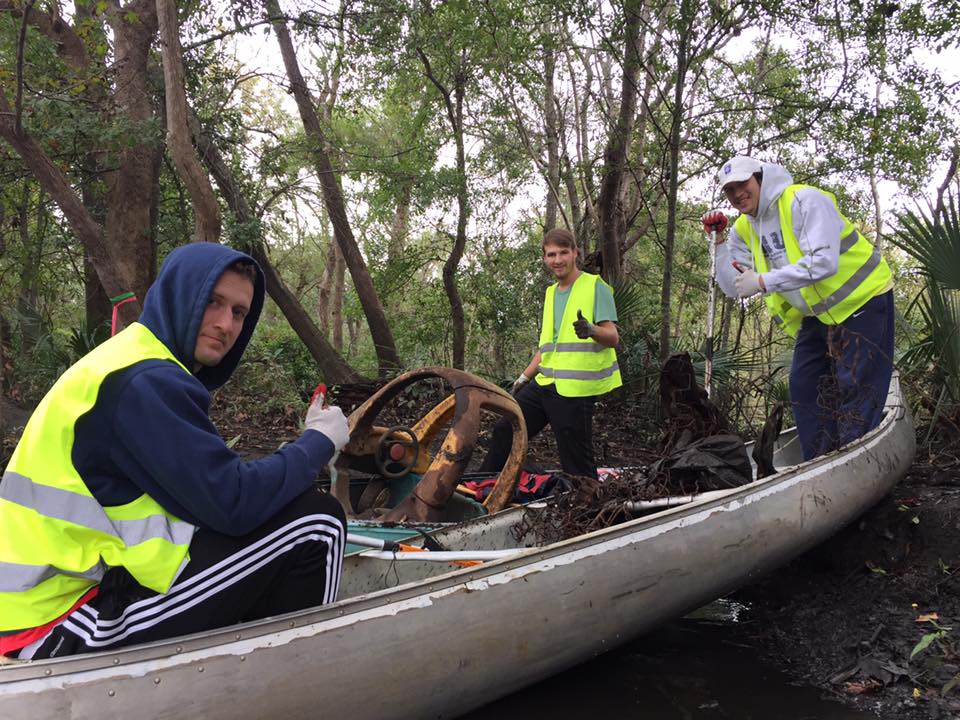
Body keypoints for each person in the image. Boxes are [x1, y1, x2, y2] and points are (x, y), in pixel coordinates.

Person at [0, 243, 350, 660]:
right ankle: (293, 688)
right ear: (180, 295)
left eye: (239, 312)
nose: (225, 324)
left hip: (43, 607)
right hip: (58, 626)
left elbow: (210, 494)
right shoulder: (143, 381)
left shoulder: (129, 360)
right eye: (213, 302)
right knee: (318, 522)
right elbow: (234, 502)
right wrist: (318, 441)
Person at [702, 155, 894, 461]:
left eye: (743, 184)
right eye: (730, 190)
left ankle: (857, 463)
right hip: (817, 316)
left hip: (862, 301)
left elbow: (824, 263)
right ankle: (820, 464)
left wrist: (764, 280)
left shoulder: (804, 201)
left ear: (760, 178)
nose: (738, 194)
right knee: (805, 387)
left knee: (855, 387)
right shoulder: (745, 229)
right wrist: (720, 243)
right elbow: (731, 286)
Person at [479, 228, 621, 479]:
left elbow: (613, 337)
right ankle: (482, 490)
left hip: (576, 390)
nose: (557, 260)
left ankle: (587, 509)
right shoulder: (551, 293)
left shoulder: (594, 286)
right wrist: (524, 377)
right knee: (505, 431)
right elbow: (548, 347)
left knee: (575, 460)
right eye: (551, 254)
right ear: (544, 258)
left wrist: (591, 330)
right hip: (545, 383)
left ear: (575, 253)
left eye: (563, 253)